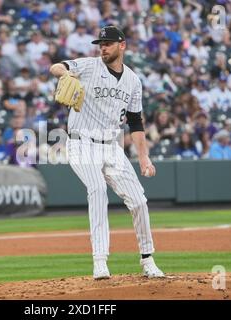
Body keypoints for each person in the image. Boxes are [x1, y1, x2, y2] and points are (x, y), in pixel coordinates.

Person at [49, 25, 165, 280]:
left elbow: (135, 122)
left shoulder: (133, 81)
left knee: (139, 201)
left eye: (108, 43)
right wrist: (64, 76)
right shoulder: (89, 66)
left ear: (121, 45)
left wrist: (144, 157)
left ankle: (148, 259)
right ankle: (99, 261)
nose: (103, 47)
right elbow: (57, 66)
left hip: (112, 147)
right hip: (81, 143)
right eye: (101, 43)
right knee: (97, 190)